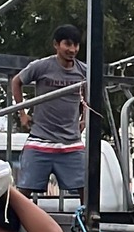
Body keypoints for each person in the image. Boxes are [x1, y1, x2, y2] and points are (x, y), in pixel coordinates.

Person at [11, 25, 88, 196]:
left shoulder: (83, 71)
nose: (72, 50)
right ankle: (12, 215)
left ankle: (86, 215)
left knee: (86, 189)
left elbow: (87, 97)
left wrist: (84, 118)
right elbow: (16, 81)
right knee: (23, 191)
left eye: (76, 45)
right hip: (40, 139)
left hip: (71, 142)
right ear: (56, 45)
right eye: (67, 44)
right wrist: (22, 114)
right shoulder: (41, 66)